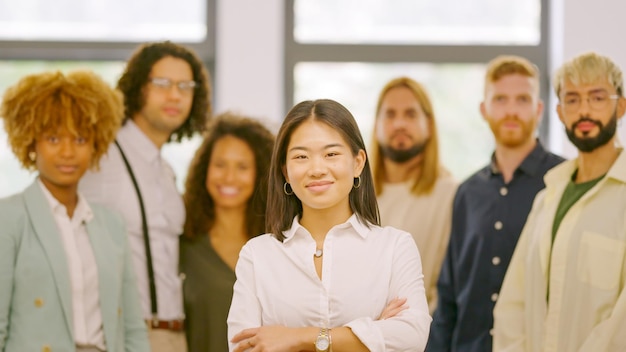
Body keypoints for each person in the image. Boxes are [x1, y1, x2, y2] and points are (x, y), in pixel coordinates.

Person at [227, 99, 431, 352]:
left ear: (358, 163)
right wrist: (369, 334)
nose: (316, 169)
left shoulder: (395, 247)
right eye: (301, 157)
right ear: (286, 171)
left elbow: (411, 337)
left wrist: (296, 338)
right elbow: (244, 347)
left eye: (331, 154)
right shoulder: (257, 255)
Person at [0, 70, 149, 352]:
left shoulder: (111, 224)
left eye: (80, 139)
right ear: (32, 143)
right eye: (54, 139)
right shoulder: (7, 218)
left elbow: (132, 327)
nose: (68, 152)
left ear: (96, 144)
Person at [79, 41, 211, 352]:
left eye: (185, 86)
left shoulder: (165, 170)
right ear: (138, 87)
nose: (175, 95)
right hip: (120, 336)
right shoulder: (101, 157)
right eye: (162, 83)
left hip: (172, 335)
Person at [427, 55, 564, 352]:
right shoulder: (467, 192)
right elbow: (450, 292)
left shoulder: (564, 181)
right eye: (500, 99)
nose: (511, 110)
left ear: (538, 110)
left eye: (522, 99)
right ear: (484, 109)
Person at [494, 52, 626, 351]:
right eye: (572, 100)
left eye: (597, 98)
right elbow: (513, 305)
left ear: (621, 107)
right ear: (560, 112)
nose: (584, 111)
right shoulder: (546, 198)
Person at [180, 112, 275, 352]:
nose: (229, 177)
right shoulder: (183, 244)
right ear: (204, 169)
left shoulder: (278, 246)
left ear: (260, 174)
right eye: (220, 165)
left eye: (242, 167)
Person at [371, 77, 458, 313]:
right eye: (390, 114)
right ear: (377, 125)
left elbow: (450, 285)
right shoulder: (354, 194)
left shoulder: (451, 194)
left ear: (429, 125)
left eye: (410, 114)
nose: (399, 123)